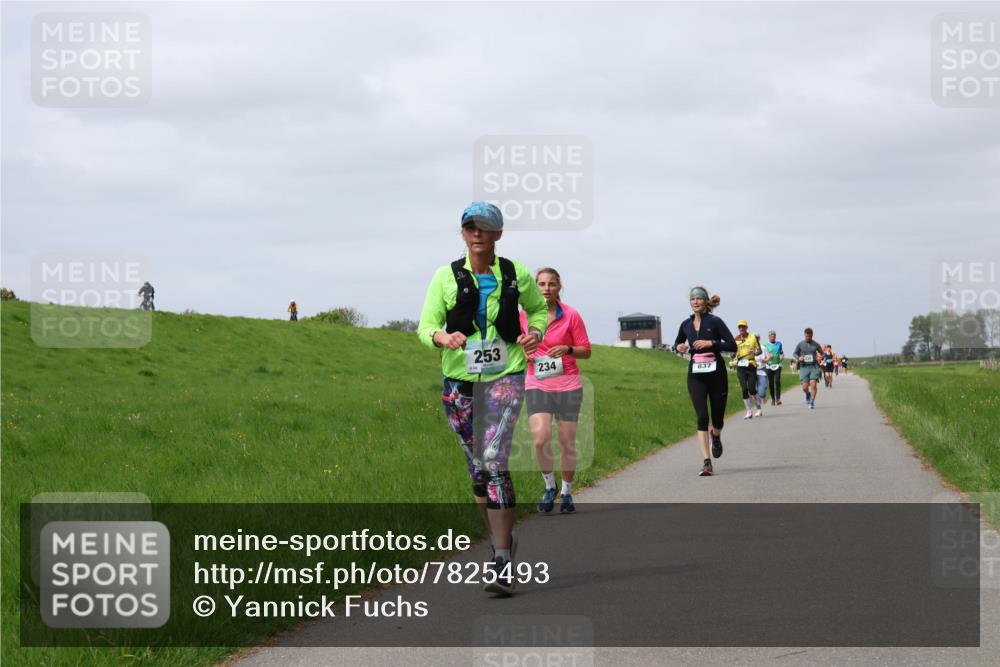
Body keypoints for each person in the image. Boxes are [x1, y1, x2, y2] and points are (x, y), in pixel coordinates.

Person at [417, 201, 548, 596]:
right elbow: (425, 326)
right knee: (478, 470)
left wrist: (535, 332)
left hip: (505, 375)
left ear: (498, 234)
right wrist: (443, 337)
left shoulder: (514, 272)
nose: (477, 233)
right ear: (462, 234)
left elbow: (538, 310)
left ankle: (503, 561)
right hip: (459, 380)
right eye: (470, 227)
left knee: (494, 459)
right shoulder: (445, 276)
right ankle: (499, 540)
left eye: (485, 227)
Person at [519, 268, 592, 515]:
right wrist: (524, 352)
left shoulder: (571, 315)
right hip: (537, 382)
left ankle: (567, 492)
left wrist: (567, 349)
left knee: (566, 442)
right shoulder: (524, 315)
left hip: (568, 385)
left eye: (551, 284)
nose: (546, 288)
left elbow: (586, 350)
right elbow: (515, 343)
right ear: (535, 287)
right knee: (540, 439)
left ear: (559, 287)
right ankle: (549, 486)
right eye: (541, 284)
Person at [674, 287, 737, 477]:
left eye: (699, 299)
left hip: (716, 374)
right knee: (702, 417)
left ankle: (715, 435)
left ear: (705, 302)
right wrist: (680, 346)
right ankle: (706, 462)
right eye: (692, 299)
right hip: (696, 375)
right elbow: (676, 344)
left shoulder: (715, 322)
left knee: (717, 418)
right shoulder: (686, 324)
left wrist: (712, 343)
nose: (695, 302)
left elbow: (732, 345)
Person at [733, 320, 763, 419]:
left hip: (751, 365)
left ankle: (758, 405)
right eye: (739, 327)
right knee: (744, 389)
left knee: (751, 388)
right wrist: (734, 356)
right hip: (740, 366)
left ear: (746, 328)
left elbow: (759, 350)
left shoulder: (753, 337)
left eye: (743, 327)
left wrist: (755, 352)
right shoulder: (736, 339)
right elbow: (732, 353)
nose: (741, 328)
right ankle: (749, 411)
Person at [793, 328, 824, 409]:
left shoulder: (816, 344)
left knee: (813, 384)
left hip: (813, 366)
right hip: (804, 367)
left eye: (809, 336)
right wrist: (799, 358)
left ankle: (812, 401)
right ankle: (808, 394)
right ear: (804, 335)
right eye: (806, 336)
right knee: (805, 387)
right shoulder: (800, 344)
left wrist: (821, 357)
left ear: (812, 335)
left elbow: (823, 354)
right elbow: (794, 354)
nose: (808, 338)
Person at [762, 330, 784, 405]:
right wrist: (767, 359)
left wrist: (782, 357)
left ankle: (778, 399)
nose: (773, 337)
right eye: (771, 336)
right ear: (768, 337)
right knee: (771, 383)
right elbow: (763, 356)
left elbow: (781, 352)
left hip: (777, 365)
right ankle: (773, 399)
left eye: (774, 336)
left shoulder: (779, 344)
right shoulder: (765, 345)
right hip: (769, 366)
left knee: (777, 381)